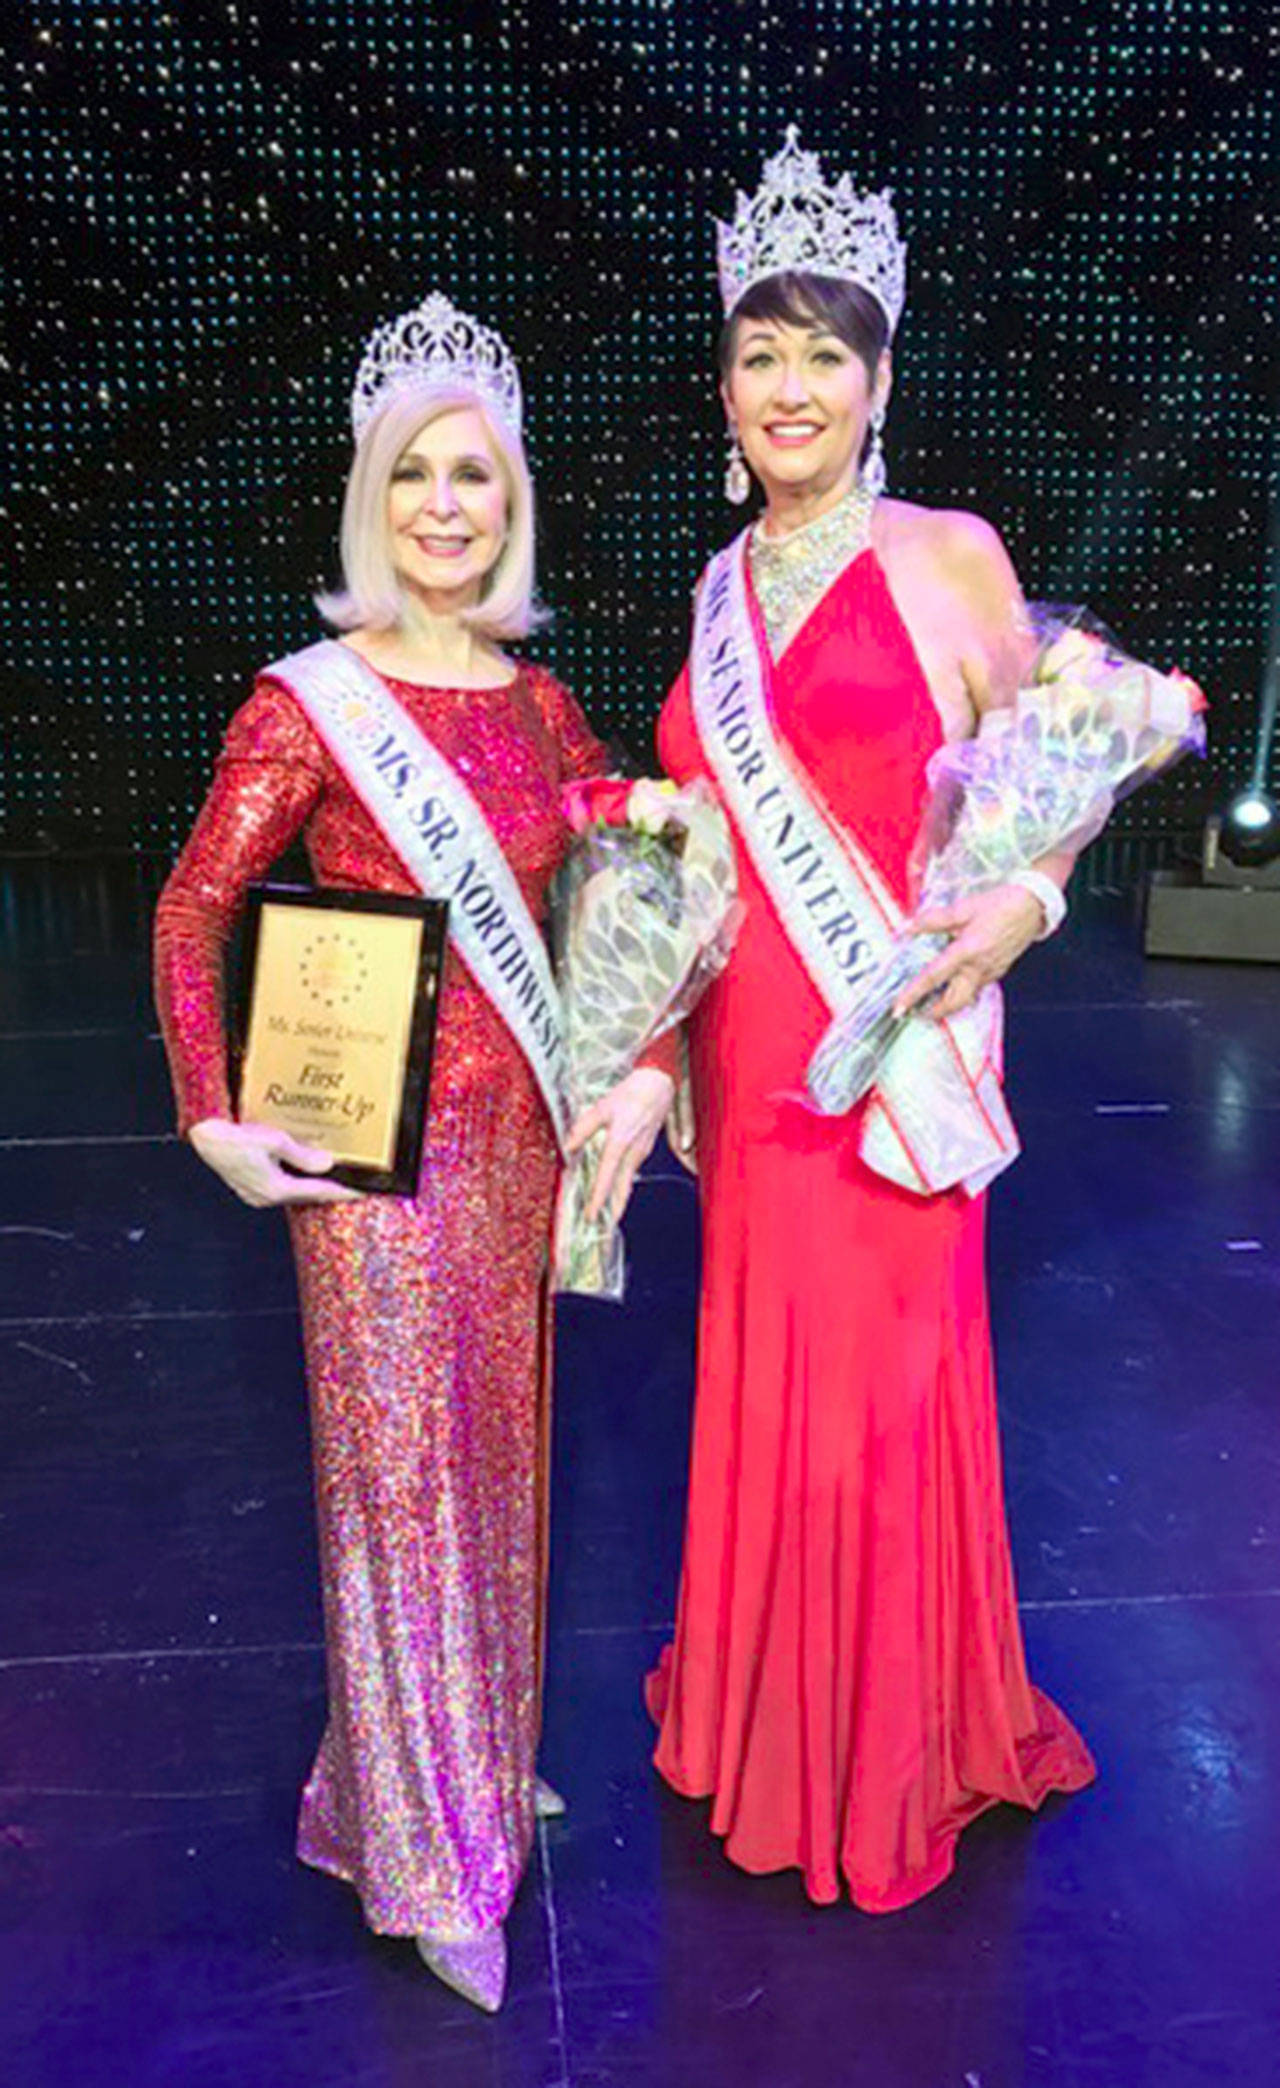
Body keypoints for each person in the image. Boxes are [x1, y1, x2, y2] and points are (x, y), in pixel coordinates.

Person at [581, 130, 1096, 1912]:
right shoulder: (719, 593)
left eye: (822, 353)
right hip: (752, 1078)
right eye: (757, 353)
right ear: (725, 385)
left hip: (889, 1058)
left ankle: (891, 1743)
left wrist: (1017, 907)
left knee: (888, 1400)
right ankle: (757, 1711)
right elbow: (696, 851)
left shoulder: (947, 552)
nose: (787, 388)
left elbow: (1062, 770)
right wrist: (635, 1030)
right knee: (764, 1391)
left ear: (878, 378)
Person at [153, 292, 673, 2008]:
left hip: (519, 1154)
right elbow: (193, 907)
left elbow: (631, 903)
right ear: (374, 503)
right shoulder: (310, 702)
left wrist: (646, 1056)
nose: (448, 508)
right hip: (369, 1167)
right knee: (399, 1492)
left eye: (479, 482)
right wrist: (214, 1115)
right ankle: (428, 1853)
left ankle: (449, 1755)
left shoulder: (540, 712)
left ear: (513, 510)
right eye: (416, 480)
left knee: (500, 1465)